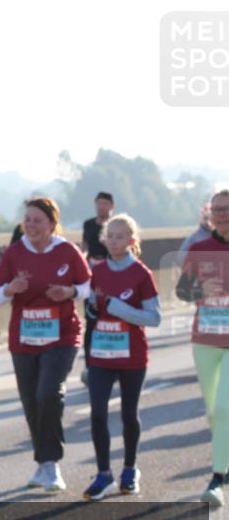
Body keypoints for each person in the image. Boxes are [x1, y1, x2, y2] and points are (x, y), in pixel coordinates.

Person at [0, 197, 91, 492]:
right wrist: (10, 289)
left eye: (38, 220)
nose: (31, 225)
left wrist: (70, 290)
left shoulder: (67, 251)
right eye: (28, 220)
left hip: (61, 334)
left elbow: (88, 286)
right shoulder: (14, 253)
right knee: (31, 400)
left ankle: (51, 463)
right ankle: (43, 463)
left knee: (48, 393)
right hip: (23, 337)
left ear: (51, 224)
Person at [82, 214, 161, 500]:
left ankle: (130, 469)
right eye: (110, 236)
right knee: (98, 413)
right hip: (102, 353)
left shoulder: (142, 274)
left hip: (132, 355)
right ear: (103, 239)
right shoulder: (99, 271)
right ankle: (104, 475)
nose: (114, 242)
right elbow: (93, 305)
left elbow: (154, 318)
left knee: (129, 414)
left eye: (120, 237)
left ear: (131, 241)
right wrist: (92, 310)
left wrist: (120, 309)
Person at [177, 189, 229, 507]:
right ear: (210, 215)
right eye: (217, 209)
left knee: (224, 409)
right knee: (213, 413)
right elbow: (182, 291)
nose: (222, 214)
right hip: (205, 339)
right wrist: (200, 289)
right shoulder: (198, 249)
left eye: (228, 209)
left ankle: (217, 477)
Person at [80, 192, 114, 386]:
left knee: (111, 319)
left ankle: (113, 363)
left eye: (105, 204)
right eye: (98, 203)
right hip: (92, 276)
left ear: (111, 206)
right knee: (91, 320)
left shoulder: (116, 226)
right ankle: (90, 367)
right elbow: (84, 247)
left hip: (112, 275)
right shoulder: (88, 225)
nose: (101, 207)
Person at [177, 201, 213, 266]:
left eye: (211, 218)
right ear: (201, 218)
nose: (208, 222)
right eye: (206, 218)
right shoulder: (194, 238)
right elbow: (181, 258)